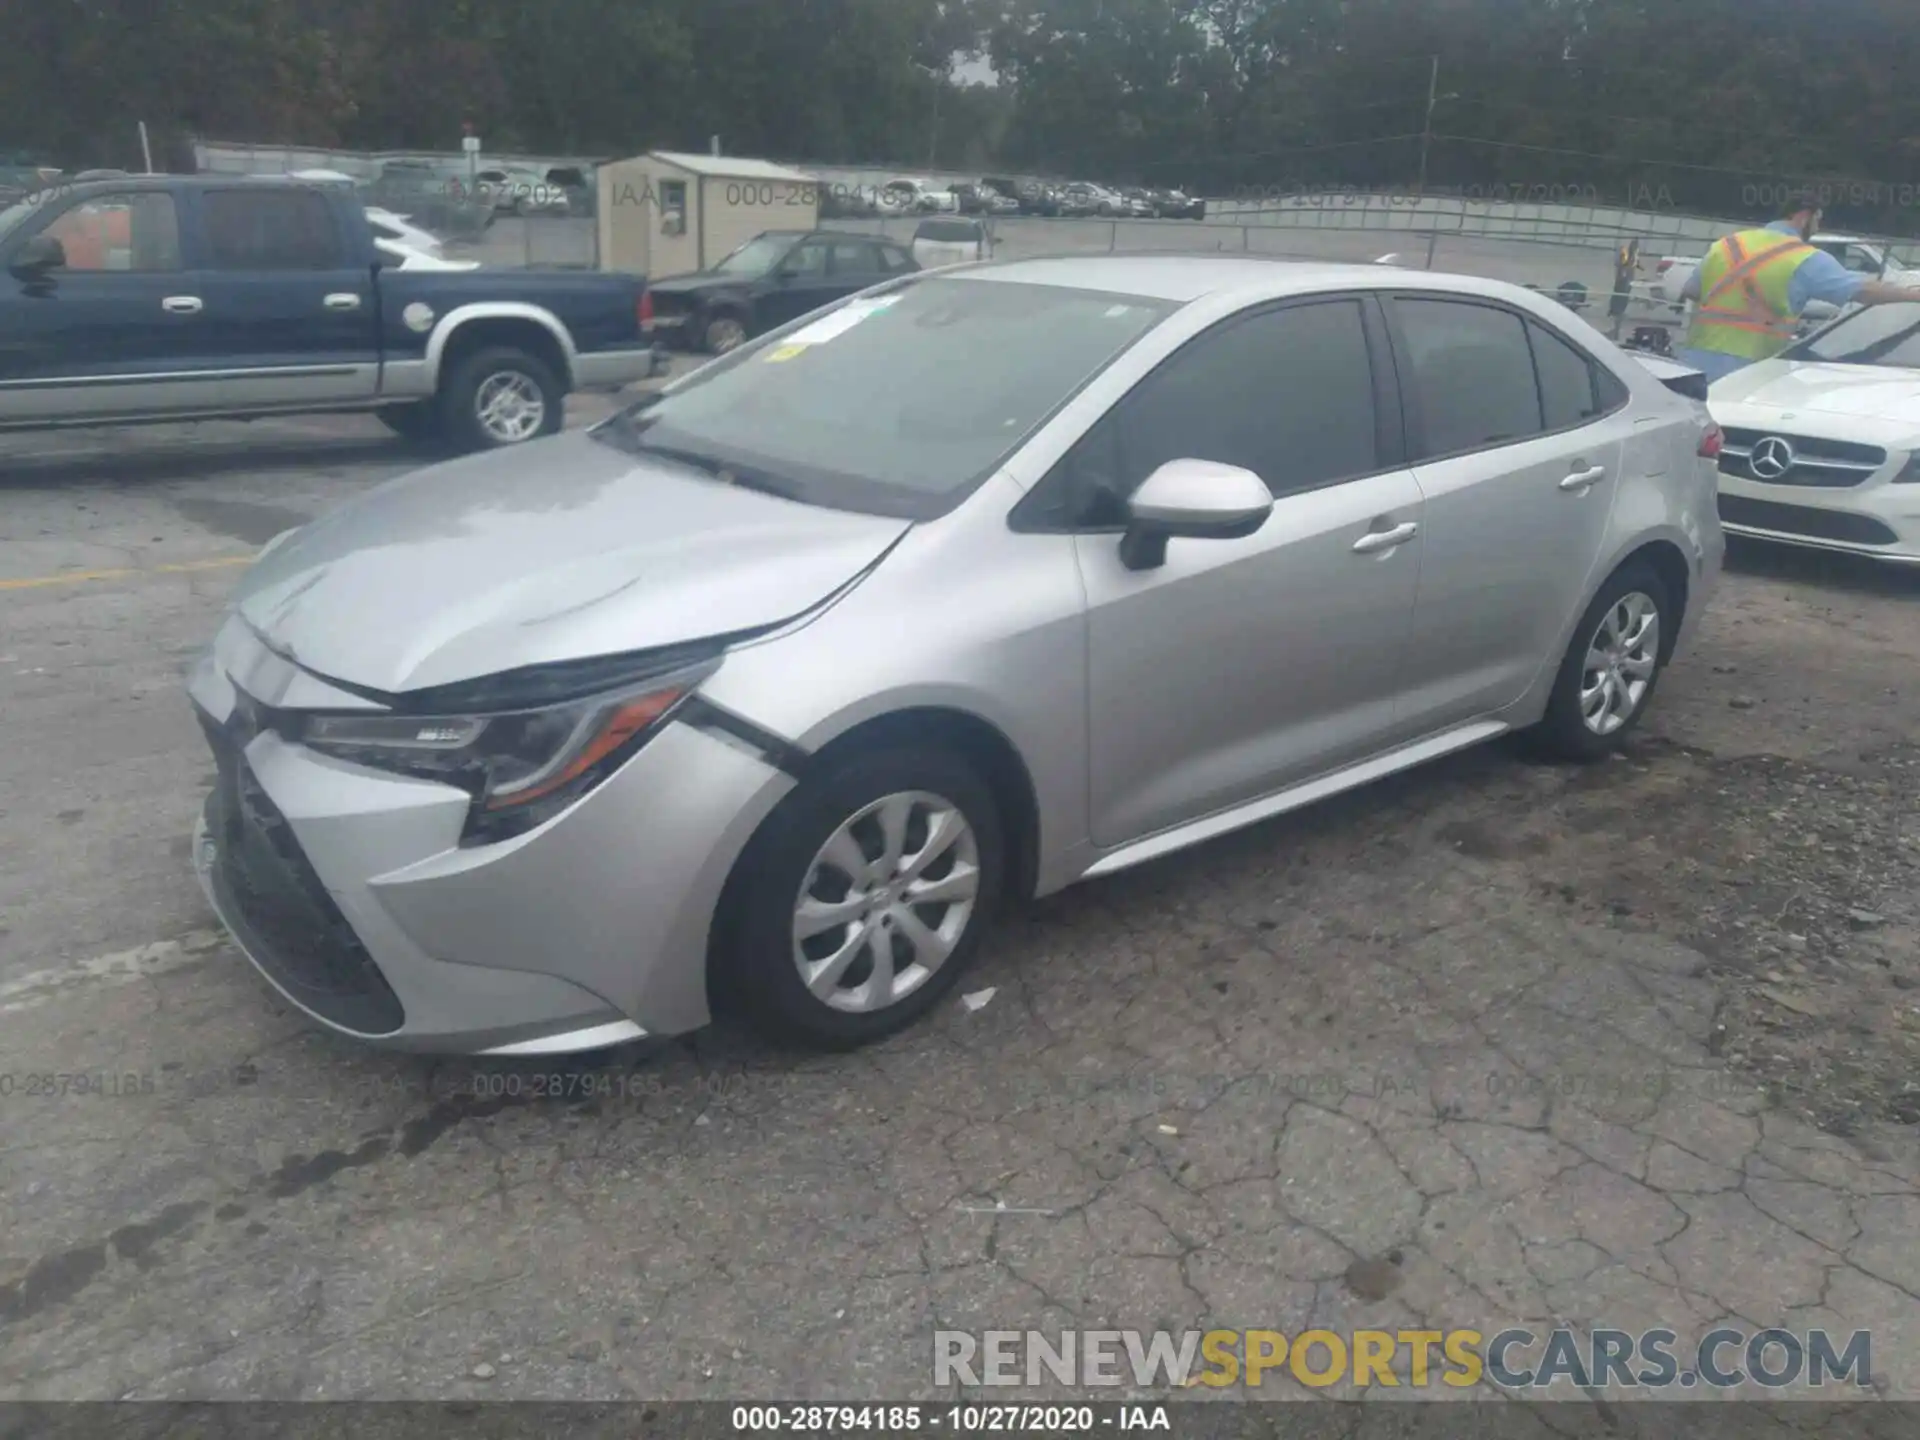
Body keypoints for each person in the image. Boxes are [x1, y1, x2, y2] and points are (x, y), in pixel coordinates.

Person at [1677, 190, 1920, 382]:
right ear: (1804, 216)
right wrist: (1912, 295)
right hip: (1750, 368)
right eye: (1817, 221)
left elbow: (1691, 290)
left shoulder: (1728, 244)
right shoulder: (1803, 257)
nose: (1817, 229)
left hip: (1696, 360)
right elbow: (1862, 291)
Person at [1608, 238, 1641, 340]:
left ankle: (1616, 329)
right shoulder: (1626, 253)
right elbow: (1622, 266)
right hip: (1624, 280)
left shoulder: (1633, 254)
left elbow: (1632, 264)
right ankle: (1615, 327)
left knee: (1621, 300)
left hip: (1626, 279)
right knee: (1619, 299)